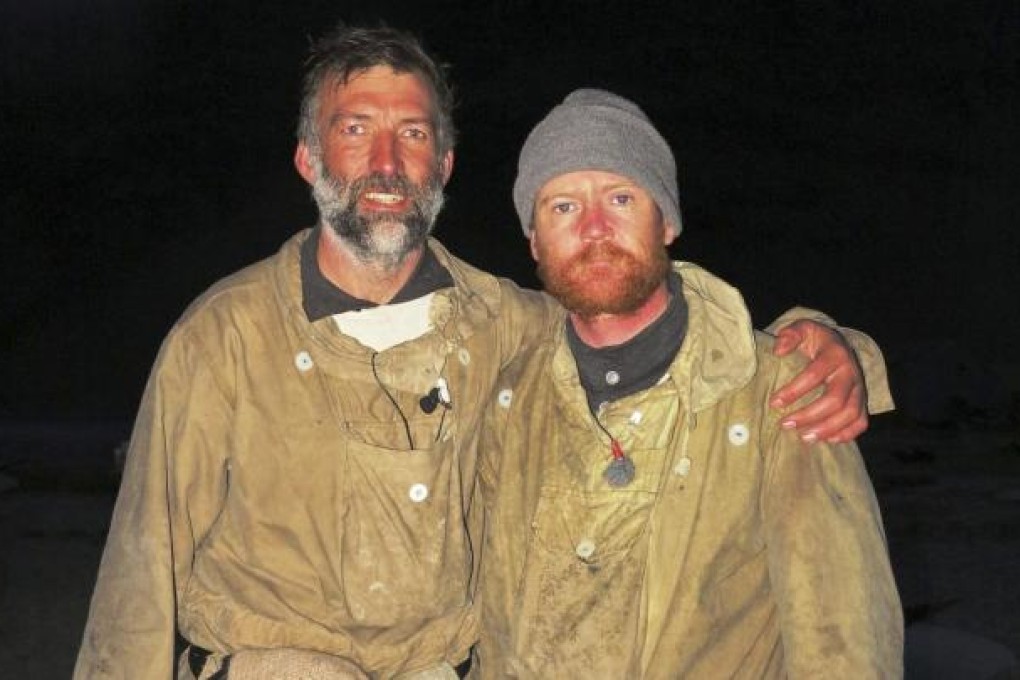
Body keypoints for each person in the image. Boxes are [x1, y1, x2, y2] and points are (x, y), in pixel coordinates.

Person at [73, 25, 891, 680]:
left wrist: (836, 348)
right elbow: (140, 577)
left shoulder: (508, 327)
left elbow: (633, 321)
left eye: (414, 134)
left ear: (446, 164)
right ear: (309, 159)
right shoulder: (221, 340)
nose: (386, 163)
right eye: (355, 130)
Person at [472, 89, 903, 678]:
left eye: (621, 197)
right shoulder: (511, 399)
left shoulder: (779, 392)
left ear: (667, 220)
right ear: (534, 240)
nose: (595, 228)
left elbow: (843, 641)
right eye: (563, 207)